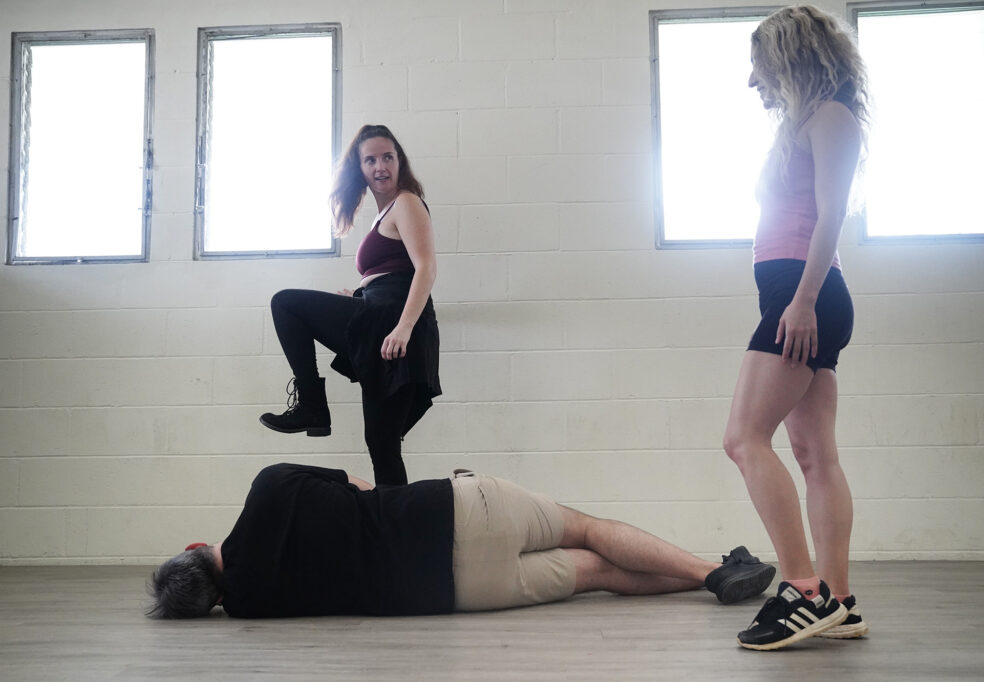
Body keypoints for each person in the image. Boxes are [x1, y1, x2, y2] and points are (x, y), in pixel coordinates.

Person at [146, 463, 776, 619]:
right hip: (451, 513)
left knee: (599, 573)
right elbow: (361, 487)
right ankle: (713, 571)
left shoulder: (253, 607)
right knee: (586, 527)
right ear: (196, 544)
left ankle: (717, 574)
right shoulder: (269, 488)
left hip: (456, 591)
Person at [721, 5, 871, 651]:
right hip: (799, 293)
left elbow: (834, 213)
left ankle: (802, 590)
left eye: (759, 67)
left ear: (789, 56)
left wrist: (804, 299)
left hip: (803, 293)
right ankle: (838, 601)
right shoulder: (803, 122)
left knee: (743, 438)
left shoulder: (832, 115)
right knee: (814, 455)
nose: (754, 81)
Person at [259, 124, 441, 486]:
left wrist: (403, 327)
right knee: (382, 444)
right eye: (370, 159)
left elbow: (425, 268)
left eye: (387, 157)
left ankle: (312, 405)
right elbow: (391, 270)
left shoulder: (406, 202)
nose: (380, 166)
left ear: (399, 161)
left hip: (394, 321)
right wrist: (359, 297)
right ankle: (394, 534)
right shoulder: (382, 213)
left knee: (286, 304)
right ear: (359, 168)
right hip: (379, 314)